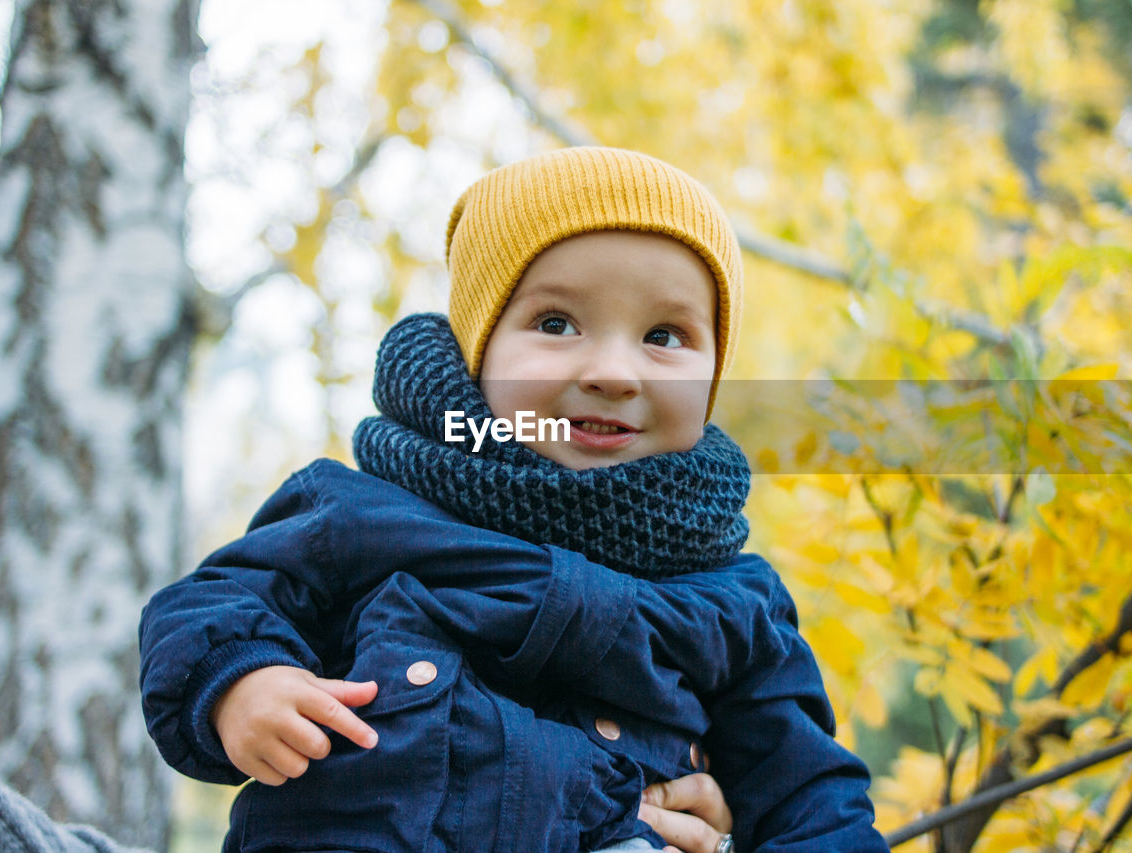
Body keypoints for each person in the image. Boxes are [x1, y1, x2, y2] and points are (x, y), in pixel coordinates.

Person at [139, 146, 888, 852]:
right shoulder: (361, 514)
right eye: (556, 323)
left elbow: (811, 797)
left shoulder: (736, 604)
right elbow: (209, 602)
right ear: (480, 348)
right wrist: (243, 680)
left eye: (665, 334)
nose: (614, 371)